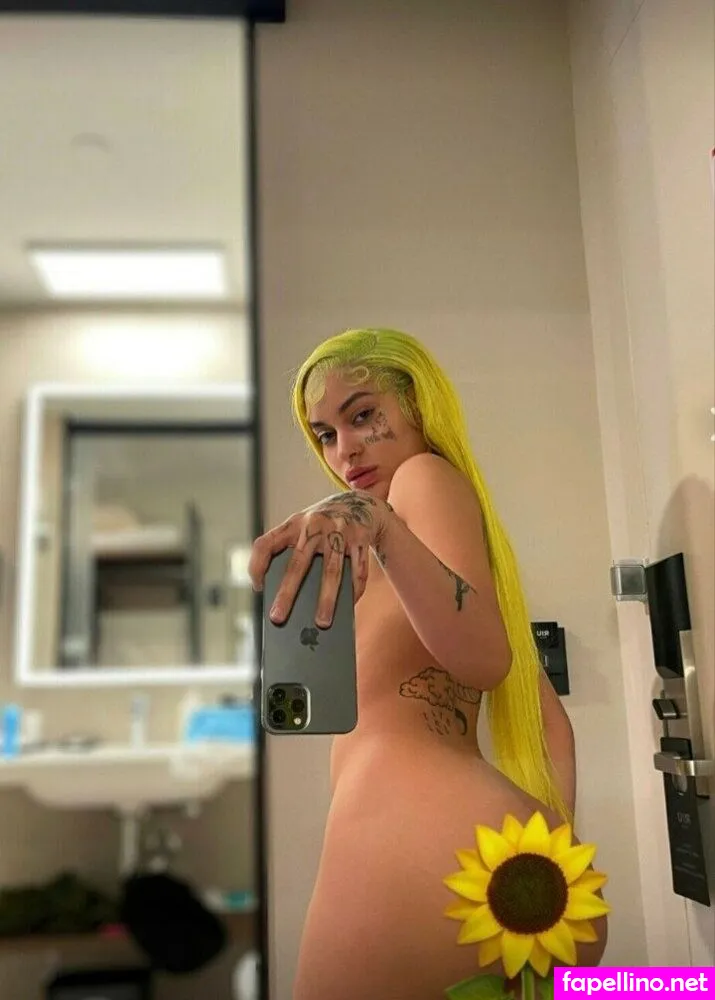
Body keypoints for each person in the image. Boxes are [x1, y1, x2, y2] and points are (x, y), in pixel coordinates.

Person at [249, 329, 607, 999]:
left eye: (362, 416)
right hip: (496, 865)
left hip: (418, 854)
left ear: (418, 405)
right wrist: (546, 842)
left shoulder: (422, 479)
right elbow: (543, 712)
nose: (344, 450)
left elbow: (485, 660)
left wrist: (378, 524)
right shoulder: (405, 545)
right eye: (324, 434)